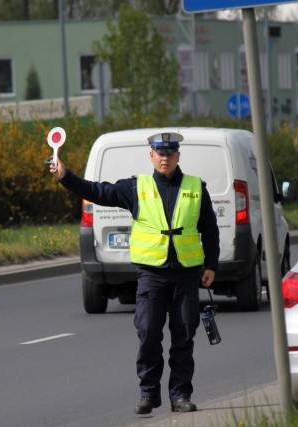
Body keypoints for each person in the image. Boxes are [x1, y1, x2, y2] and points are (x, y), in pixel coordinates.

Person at [49, 131, 220, 415]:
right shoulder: (136, 187)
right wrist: (66, 176)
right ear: (151, 155)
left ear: (178, 156)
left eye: (170, 153)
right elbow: (97, 191)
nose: (164, 158)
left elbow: (210, 229)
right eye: (159, 153)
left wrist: (211, 265)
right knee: (149, 333)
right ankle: (148, 393)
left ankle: (180, 395)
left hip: (186, 274)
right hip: (151, 274)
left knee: (183, 337)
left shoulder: (195, 187)